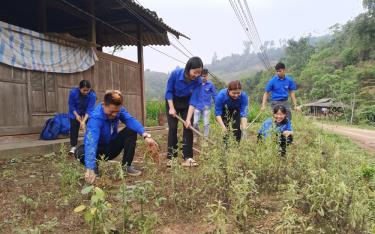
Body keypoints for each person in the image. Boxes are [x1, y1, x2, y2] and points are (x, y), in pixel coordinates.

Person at [75, 90, 158, 183]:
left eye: (117, 111)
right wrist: (89, 167)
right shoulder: (96, 118)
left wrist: (146, 135)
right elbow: (91, 142)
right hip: (98, 150)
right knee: (79, 152)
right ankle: (94, 169)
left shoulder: (119, 111)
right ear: (104, 105)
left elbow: (130, 120)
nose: (114, 114)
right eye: (111, 112)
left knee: (130, 131)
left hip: (111, 148)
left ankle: (126, 166)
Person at [165, 57, 203, 167]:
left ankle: (188, 158)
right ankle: (172, 158)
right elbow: (168, 91)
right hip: (172, 100)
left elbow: (194, 100)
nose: (197, 75)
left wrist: (188, 119)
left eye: (199, 73)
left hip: (187, 103)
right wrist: (171, 108)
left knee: (188, 127)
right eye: (195, 72)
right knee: (173, 128)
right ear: (188, 69)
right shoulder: (175, 74)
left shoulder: (198, 81)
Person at [68, 80, 96, 155]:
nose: (86, 92)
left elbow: (90, 108)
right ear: (79, 88)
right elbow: (71, 105)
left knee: (90, 127)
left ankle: (90, 145)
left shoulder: (92, 95)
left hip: (86, 112)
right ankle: (73, 146)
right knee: (74, 128)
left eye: (88, 90)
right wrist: (77, 116)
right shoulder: (73, 93)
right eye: (84, 90)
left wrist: (83, 121)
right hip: (75, 111)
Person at [193, 68, 216, 138]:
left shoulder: (211, 85)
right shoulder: (196, 84)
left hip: (207, 107)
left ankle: (205, 138)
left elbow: (215, 95)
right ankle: (196, 135)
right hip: (197, 107)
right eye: (202, 76)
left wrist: (217, 104)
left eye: (205, 76)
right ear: (200, 76)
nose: (204, 77)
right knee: (195, 123)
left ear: (207, 76)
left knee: (206, 124)